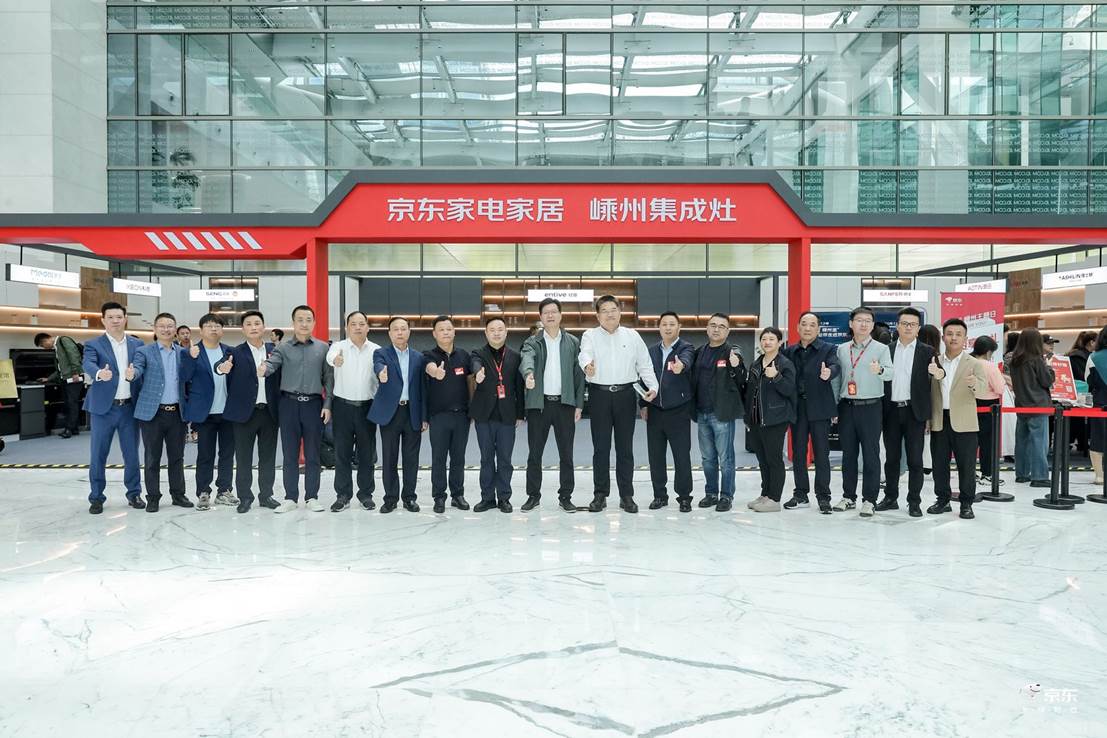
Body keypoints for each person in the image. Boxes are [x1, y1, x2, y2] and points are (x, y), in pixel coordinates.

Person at [578, 295, 658, 513]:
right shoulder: (590, 335)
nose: (610, 314)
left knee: (625, 448)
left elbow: (645, 365)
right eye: (604, 310)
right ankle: (600, 495)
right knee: (600, 448)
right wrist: (588, 367)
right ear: (598, 315)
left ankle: (626, 495)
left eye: (613, 309)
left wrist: (653, 387)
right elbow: (584, 355)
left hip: (625, 396)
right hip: (599, 396)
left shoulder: (632, 336)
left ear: (620, 312)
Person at [258, 305, 334, 513]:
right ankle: (290, 497)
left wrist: (328, 405)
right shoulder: (283, 348)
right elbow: (272, 364)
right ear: (293, 323)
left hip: (313, 405)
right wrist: (264, 368)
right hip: (288, 405)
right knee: (290, 454)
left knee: (313, 454)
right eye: (300, 319)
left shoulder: (323, 348)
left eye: (308, 319)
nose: (304, 323)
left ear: (314, 323)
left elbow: (328, 379)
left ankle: (312, 497)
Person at [519, 298, 585, 511]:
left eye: (554, 311)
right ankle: (533, 496)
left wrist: (579, 404)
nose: (550, 315)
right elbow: (526, 359)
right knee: (534, 454)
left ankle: (566, 496)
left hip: (565, 405)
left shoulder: (573, 342)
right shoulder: (533, 341)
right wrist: (529, 374)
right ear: (540, 317)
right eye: (545, 312)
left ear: (560, 315)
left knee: (566, 454)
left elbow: (578, 375)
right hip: (539, 405)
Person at [82, 301, 145, 514]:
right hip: (103, 409)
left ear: (125, 319)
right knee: (98, 454)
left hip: (129, 408)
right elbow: (88, 364)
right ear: (103, 320)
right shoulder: (93, 344)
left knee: (132, 455)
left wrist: (135, 373)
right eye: (110, 317)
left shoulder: (137, 344)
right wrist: (99, 373)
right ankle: (96, 497)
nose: (115, 321)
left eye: (119, 317)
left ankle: (134, 493)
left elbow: (141, 367)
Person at [877, 307, 938, 517]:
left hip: (915, 412)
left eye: (912, 324)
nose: (908, 327)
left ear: (918, 328)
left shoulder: (927, 351)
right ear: (897, 326)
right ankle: (890, 498)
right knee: (891, 459)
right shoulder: (886, 350)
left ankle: (914, 502)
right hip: (891, 411)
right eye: (904, 323)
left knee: (915, 460)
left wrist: (929, 415)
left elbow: (934, 383)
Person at [834, 306, 894, 518]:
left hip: (871, 407)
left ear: (872, 325)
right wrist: (835, 405)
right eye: (859, 320)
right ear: (851, 324)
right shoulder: (842, 349)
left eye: (868, 321)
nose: (864, 324)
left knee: (871, 455)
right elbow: (838, 379)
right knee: (848, 455)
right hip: (846, 406)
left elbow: (890, 374)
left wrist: (880, 370)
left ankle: (870, 500)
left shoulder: (881, 349)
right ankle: (848, 497)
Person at [128, 312, 190, 513]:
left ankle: (178, 494)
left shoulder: (183, 353)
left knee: (177, 457)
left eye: (170, 326)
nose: (166, 329)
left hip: (177, 413)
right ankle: (153, 497)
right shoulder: (144, 352)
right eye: (162, 326)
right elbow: (138, 369)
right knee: (152, 458)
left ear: (175, 329)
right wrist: (132, 374)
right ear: (154, 329)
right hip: (152, 414)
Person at [928, 318, 988, 519]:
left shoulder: (974, 363)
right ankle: (942, 500)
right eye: (949, 334)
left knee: (966, 465)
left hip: (965, 422)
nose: (953, 338)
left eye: (958, 334)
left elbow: (983, 391)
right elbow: (929, 392)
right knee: (939, 464)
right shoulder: (934, 361)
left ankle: (966, 503)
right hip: (940, 420)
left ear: (965, 339)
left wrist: (973, 383)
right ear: (943, 337)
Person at [781, 312, 840, 514]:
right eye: (804, 324)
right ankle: (801, 494)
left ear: (818, 329)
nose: (807, 328)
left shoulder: (828, 349)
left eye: (812, 324)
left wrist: (829, 372)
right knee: (798, 453)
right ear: (798, 327)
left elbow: (835, 366)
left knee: (822, 454)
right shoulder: (789, 351)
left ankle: (823, 497)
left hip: (820, 407)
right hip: (797, 408)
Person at [224, 310, 281, 513]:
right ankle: (245, 497)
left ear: (264, 327)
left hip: (269, 413)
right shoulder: (235, 352)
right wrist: (222, 368)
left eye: (257, 323)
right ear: (243, 329)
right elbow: (221, 366)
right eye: (248, 324)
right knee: (243, 458)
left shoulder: (275, 351)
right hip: (244, 414)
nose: (253, 327)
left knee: (268, 458)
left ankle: (266, 496)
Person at [369, 316, 428, 514]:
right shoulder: (381, 353)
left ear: (409, 332)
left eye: (403, 329)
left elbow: (422, 389)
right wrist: (381, 373)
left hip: (412, 412)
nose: (400, 332)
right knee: (389, 458)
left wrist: (424, 417)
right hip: (390, 414)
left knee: (411, 459)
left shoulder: (419, 357)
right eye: (396, 329)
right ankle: (390, 499)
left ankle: (409, 498)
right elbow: (378, 365)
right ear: (390, 333)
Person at [640, 311, 695, 512]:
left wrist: (682, 365)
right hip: (655, 411)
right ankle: (659, 496)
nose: (668, 328)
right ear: (659, 327)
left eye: (672, 324)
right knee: (656, 456)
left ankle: (684, 497)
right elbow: (644, 377)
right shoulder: (651, 351)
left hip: (678, 411)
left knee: (681, 456)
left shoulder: (686, 348)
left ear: (679, 327)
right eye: (664, 324)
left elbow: (687, 360)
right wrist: (643, 404)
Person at [180, 313, 237, 511]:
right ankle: (203, 492)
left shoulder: (229, 351)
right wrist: (190, 358)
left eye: (217, 326)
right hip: (205, 413)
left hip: (228, 412)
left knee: (227, 454)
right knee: (205, 454)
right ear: (201, 330)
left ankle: (224, 491)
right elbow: (184, 378)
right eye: (209, 326)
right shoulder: (191, 351)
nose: (213, 329)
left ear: (222, 330)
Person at [690, 313, 747, 511]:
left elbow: (741, 375)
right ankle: (711, 493)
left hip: (721, 414)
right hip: (701, 412)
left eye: (721, 326)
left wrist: (736, 364)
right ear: (707, 328)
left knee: (726, 458)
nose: (716, 329)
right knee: (707, 458)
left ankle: (726, 496)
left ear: (728, 331)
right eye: (713, 325)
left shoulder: (732, 351)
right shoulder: (700, 352)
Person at [326, 310, 381, 512]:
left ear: (368, 327)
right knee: (342, 453)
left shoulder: (377, 350)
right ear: (347, 327)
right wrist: (336, 360)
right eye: (353, 324)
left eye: (361, 323)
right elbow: (330, 357)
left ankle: (366, 495)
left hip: (367, 408)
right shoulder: (338, 347)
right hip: (343, 407)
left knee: (366, 454)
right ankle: (343, 495)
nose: (358, 327)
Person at [470, 316, 525, 513]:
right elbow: (475, 364)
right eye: (492, 330)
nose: (496, 333)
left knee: (505, 459)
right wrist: (478, 373)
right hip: (484, 416)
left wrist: (520, 414)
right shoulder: (478, 353)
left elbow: (519, 388)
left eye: (500, 329)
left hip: (507, 415)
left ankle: (504, 498)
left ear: (506, 332)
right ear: (486, 333)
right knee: (486, 458)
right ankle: (487, 498)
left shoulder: (515, 356)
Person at [422, 315, 472, 513]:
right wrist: (435, 372)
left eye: (449, 329)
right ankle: (439, 496)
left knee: (458, 458)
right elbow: (429, 368)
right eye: (441, 330)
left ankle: (457, 495)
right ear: (434, 334)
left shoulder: (464, 356)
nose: (445, 332)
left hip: (462, 416)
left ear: (454, 332)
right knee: (439, 458)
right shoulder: (429, 355)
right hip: (439, 416)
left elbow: (472, 379)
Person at [744, 327, 797, 512]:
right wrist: (747, 417)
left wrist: (776, 377)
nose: (767, 342)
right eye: (764, 339)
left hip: (776, 419)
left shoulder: (785, 364)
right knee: (762, 459)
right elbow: (750, 392)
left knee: (774, 459)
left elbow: (790, 390)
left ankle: (774, 499)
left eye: (771, 339)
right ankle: (765, 494)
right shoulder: (756, 363)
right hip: (756, 419)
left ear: (779, 342)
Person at [1010, 328, 1055, 488]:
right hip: (1038, 405)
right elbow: (1046, 381)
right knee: (1039, 442)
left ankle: (1022, 474)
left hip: (1022, 405)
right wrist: (1049, 367)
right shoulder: (1037, 360)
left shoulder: (1015, 360)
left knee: (1022, 441)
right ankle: (1039, 476)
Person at [969, 336, 1008, 486]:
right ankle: (987, 474)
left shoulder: (968, 362)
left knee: (970, 442)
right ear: (988, 351)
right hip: (988, 406)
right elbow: (999, 388)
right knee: (987, 443)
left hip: (970, 404)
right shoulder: (990, 366)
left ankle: (969, 473)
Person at [34, 332, 83, 438]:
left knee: (72, 403)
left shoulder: (63, 340)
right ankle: (74, 429)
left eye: (42, 346)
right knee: (69, 404)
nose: (44, 348)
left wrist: (75, 372)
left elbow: (74, 355)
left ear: (45, 340)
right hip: (66, 379)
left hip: (73, 378)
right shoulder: (57, 348)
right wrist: (48, 378)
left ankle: (69, 429)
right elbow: (60, 369)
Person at [1067, 330, 1097, 455]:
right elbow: (1084, 377)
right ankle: (1082, 443)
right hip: (1082, 393)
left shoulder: (1073, 355)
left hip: (1074, 393)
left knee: (1076, 419)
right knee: (1080, 419)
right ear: (1091, 342)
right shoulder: (1085, 357)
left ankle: (1079, 443)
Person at [1085, 326, 1107, 484]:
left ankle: (1100, 476)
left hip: (1100, 401)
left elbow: (1088, 380)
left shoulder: (1093, 357)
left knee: (1098, 437)